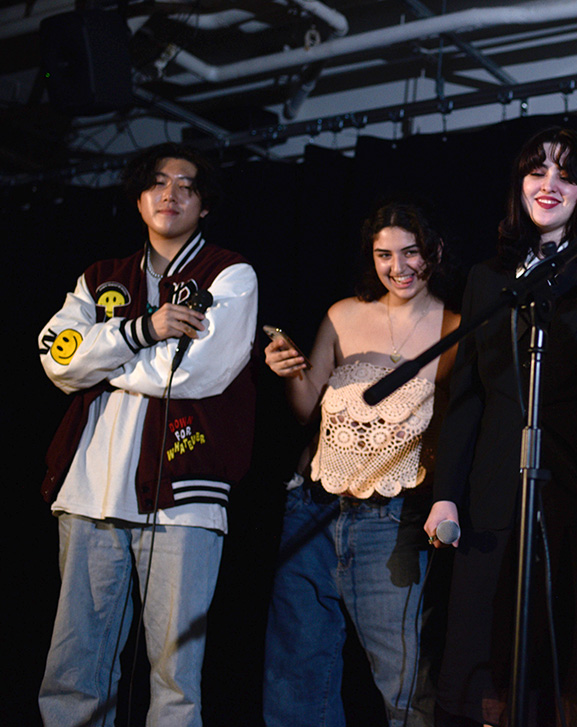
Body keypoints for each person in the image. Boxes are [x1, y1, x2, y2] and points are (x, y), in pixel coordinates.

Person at [425, 127, 577, 727]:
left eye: (566, 173)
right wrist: (446, 494)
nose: (549, 184)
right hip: (496, 492)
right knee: (490, 658)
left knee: (575, 655)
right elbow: (468, 396)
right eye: (537, 171)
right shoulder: (487, 279)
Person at [37, 142, 258, 726]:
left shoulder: (229, 273)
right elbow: (56, 360)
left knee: (174, 676)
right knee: (74, 667)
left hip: (184, 499)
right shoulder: (99, 278)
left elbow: (193, 373)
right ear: (138, 197)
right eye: (158, 183)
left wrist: (102, 356)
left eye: (186, 185)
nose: (171, 194)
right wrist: (142, 331)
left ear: (203, 204)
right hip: (88, 495)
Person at [260, 201, 459, 727]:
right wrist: (287, 368)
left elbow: (461, 429)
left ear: (435, 253)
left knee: (405, 681)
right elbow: (306, 407)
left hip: (390, 520)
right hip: (312, 509)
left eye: (411, 252)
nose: (399, 268)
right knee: (297, 676)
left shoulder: (457, 328)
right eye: (384, 255)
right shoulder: (343, 313)